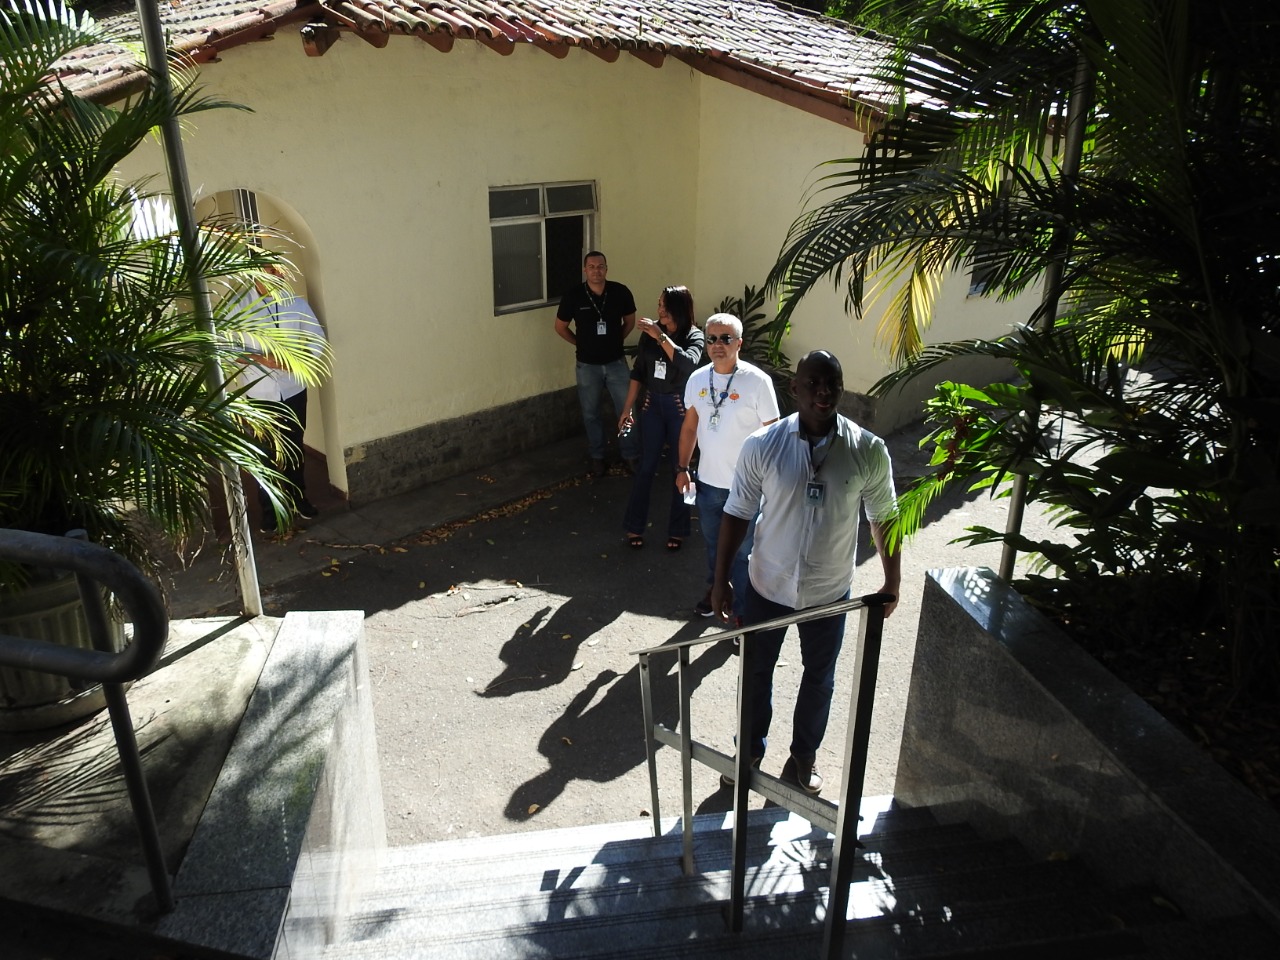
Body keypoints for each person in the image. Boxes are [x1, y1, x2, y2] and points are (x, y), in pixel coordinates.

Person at [712, 350, 900, 795]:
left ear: (842, 389)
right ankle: (748, 752)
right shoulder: (763, 445)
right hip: (767, 585)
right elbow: (737, 512)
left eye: (832, 383)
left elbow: (884, 517)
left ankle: (804, 755)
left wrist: (892, 581)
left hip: (829, 592)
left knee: (819, 678)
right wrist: (719, 580)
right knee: (755, 673)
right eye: (813, 382)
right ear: (794, 388)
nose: (823, 392)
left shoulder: (867, 450)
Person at [676, 313, 779, 622]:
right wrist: (682, 468)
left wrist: (769, 482)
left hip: (746, 487)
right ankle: (716, 591)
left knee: (744, 553)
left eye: (725, 338)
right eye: (712, 338)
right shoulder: (697, 379)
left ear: (739, 343)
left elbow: (773, 434)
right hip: (708, 484)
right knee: (714, 547)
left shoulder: (757, 381)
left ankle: (742, 614)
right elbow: (690, 428)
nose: (717, 344)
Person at [235, 267, 328, 534]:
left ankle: (299, 499)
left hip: (293, 388)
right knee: (263, 453)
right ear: (256, 276)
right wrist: (261, 359)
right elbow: (228, 348)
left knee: (294, 447)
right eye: (270, 272)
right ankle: (270, 510)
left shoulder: (297, 305)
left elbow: (317, 341)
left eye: (279, 273)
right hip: (258, 392)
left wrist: (292, 361)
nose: (277, 277)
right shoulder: (239, 308)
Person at [619, 286, 705, 550]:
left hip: (680, 409)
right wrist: (627, 408)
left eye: (665, 306)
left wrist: (661, 336)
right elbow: (638, 371)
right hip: (652, 405)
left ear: (679, 308)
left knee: (682, 468)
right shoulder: (650, 333)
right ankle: (634, 526)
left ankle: (679, 529)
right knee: (646, 467)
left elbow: (688, 364)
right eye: (659, 305)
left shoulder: (694, 335)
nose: (660, 310)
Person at [555, 251, 640, 478]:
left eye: (600, 266)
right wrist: (580, 343)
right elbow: (560, 327)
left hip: (616, 362)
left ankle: (630, 454)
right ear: (585, 270)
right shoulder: (574, 295)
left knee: (628, 409)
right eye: (591, 267)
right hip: (587, 365)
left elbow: (630, 321)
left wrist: (616, 340)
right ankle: (597, 456)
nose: (596, 270)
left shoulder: (620, 292)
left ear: (606, 268)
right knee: (591, 413)